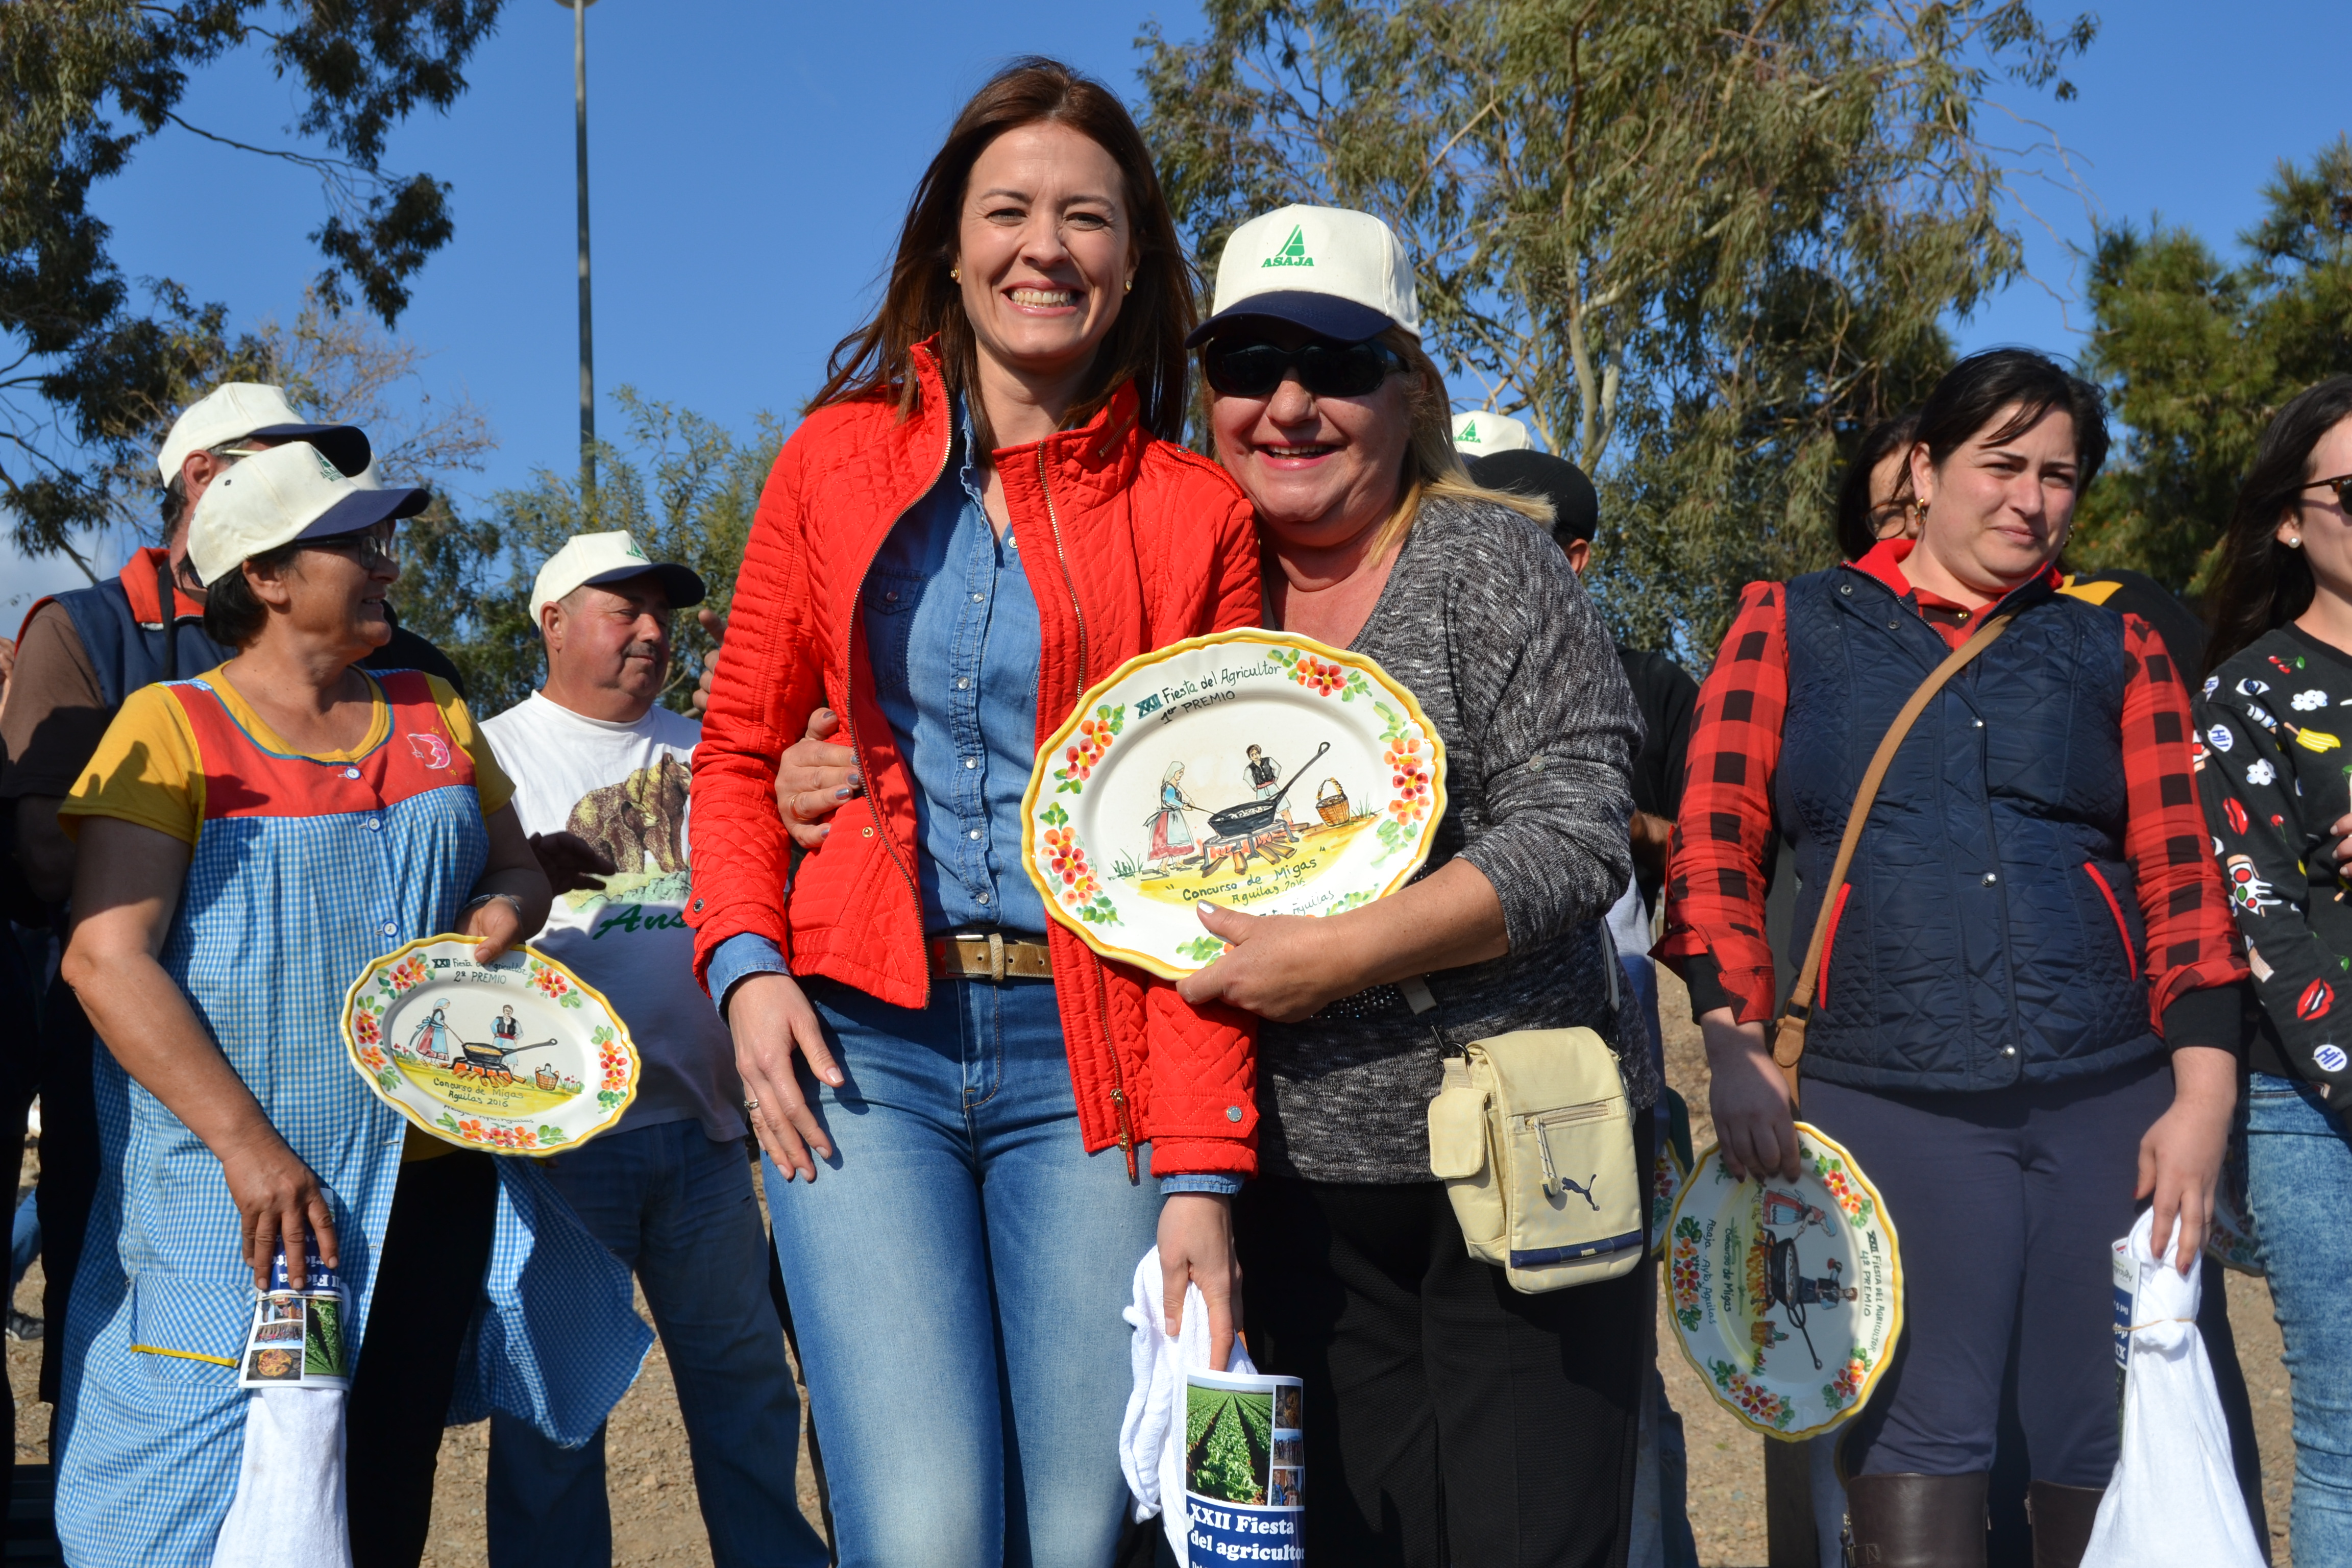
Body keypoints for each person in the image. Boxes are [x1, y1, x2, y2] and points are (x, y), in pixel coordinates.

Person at [685, 59, 1262, 1567]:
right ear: (951, 240)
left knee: (1080, 1531)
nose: (1044, 248)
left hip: (1100, 1063)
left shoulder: (1200, 515)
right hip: (855, 1047)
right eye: (1008, 210)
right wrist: (747, 967)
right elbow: (742, 750)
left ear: (1135, 261)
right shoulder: (831, 461)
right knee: (928, 1531)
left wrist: (1202, 1168)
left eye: (1087, 217)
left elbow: (1229, 879)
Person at [1659, 348, 2249, 1568]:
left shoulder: (2117, 643)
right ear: (1922, 472)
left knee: (2098, 1431)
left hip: (2112, 1100)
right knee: (1920, 1432)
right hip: (1890, 1093)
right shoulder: (1793, 621)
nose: (2030, 500)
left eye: (2060, 476)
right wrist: (1733, 1040)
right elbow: (1717, 843)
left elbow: (2182, 872)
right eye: (2001, 465)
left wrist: (2203, 1093)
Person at [50, 442, 646, 1568]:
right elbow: (103, 960)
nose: (391, 567)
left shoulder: (434, 712)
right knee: (209, 1488)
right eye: (357, 546)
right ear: (267, 577)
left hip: (431, 1191)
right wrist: (249, 1149)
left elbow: (514, 870)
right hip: (252, 1215)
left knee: (372, 1488)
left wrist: (499, 918)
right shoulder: (170, 730)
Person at [1172, 203, 1649, 1565]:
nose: (1288, 404)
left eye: (1335, 365)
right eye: (1248, 366)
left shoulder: (1486, 562)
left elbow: (1575, 833)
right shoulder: (1189, 585)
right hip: (1276, 1186)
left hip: (1516, 1176)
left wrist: (1343, 957)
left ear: (1412, 388)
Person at [0, 382, 465, 1419]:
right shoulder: (86, 636)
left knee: (342, 1442)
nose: (360, 527)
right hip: (145, 1101)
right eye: (289, 467)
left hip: (389, 1137)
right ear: (210, 487)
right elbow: (55, 871)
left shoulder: (408, 672)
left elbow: (469, 853)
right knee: (162, 1398)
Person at [478, 530, 826, 1568]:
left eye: (658, 612)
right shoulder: (491, 755)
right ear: (550, 622)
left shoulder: (713, 749)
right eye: (619, 607)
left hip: (712, 1140)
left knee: (747, 1393)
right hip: (556, 1152)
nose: (647, 629)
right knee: (553, 1414)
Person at [1466, 440, 1702, 1568]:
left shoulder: (1651, 682)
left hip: (1613, 1081)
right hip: (1464, 1092)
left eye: (1513, 534)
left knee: (1614, 1372)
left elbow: (1712, 857)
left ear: (1576, 555)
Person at [2193, 374, 2352, 1563]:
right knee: (2349, 1446)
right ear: (2291, 520)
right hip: (2315, 1109)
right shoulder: (2249, 693)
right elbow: (2262, 915)